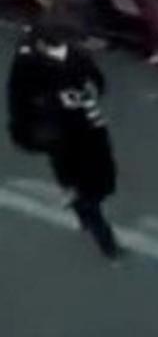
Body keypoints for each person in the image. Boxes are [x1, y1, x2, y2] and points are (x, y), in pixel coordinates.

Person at [7, 18, 124, 261]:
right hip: (59, 130)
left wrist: (94, 89)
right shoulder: (28, 62)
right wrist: (29, 126)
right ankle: (105, 240)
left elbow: (96, 79)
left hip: (88, 124)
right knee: (79, 182)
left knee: (101, 175)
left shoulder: (75, 55)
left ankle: (82, 203)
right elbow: (18, 98)